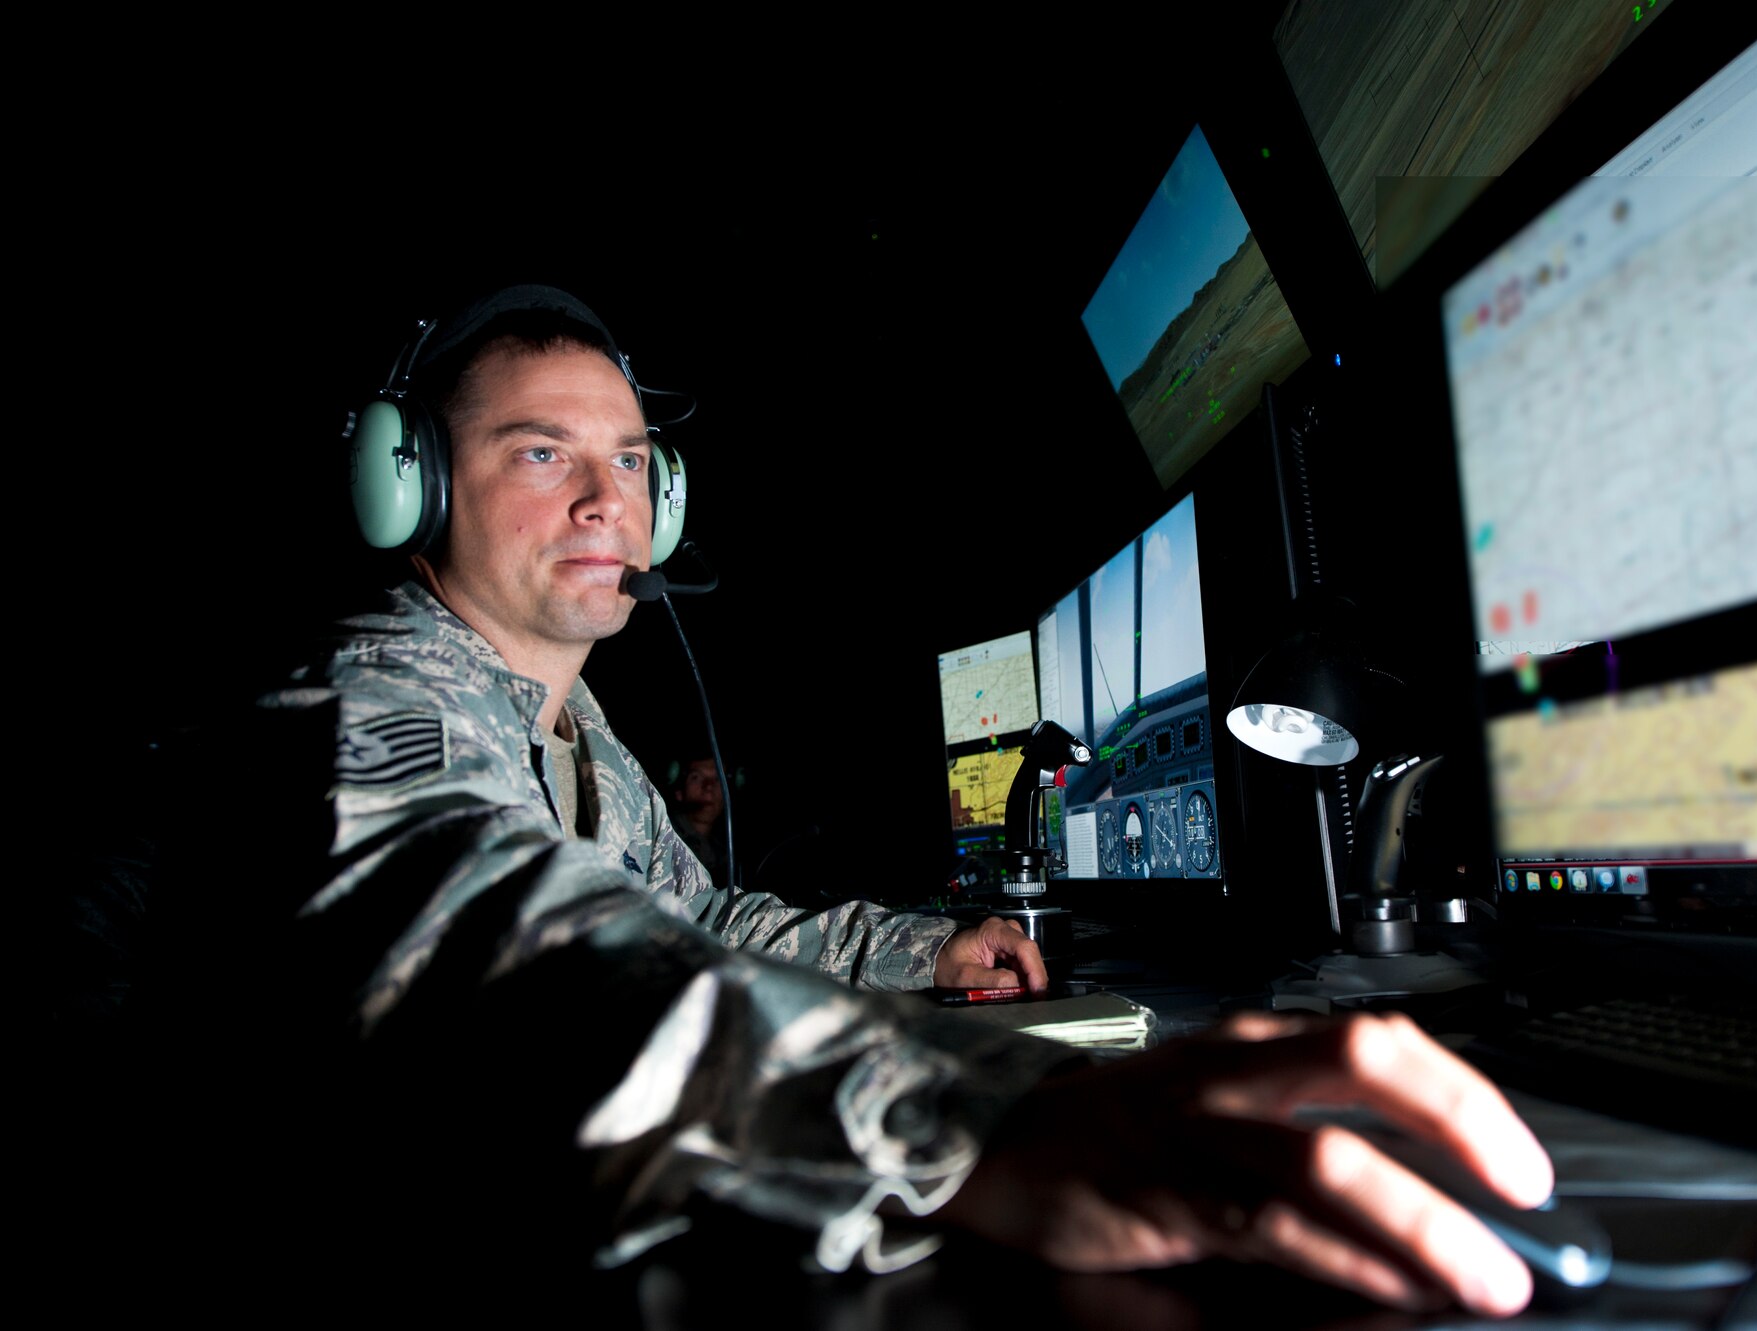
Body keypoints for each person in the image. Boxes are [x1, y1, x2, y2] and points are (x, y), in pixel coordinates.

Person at [144, 285, 1550, 1321]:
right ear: (409, 485)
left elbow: (691, 919)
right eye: (538, 452)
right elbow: (503, 951)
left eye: (631, 461)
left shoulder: (573, 724)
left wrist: (913, 953)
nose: (604, 501)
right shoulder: (373, 691)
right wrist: (970, 1123)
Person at [665, 757, 727, 886]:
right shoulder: (664, 839)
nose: (709, 786)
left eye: (717, 779)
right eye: (696, 777)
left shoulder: (730, 850)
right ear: (679, 791)